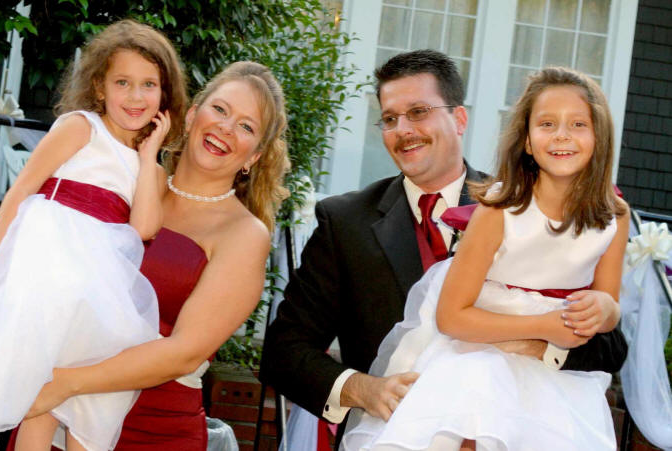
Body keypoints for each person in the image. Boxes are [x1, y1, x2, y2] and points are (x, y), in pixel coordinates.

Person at [259, 50, 628, 445]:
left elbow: (611, 347)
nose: (403, 130)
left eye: (418, 112)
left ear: (460, 119)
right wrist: (363, 390)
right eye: (389, 119)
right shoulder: (345, 222)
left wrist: (538, 347)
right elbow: (283, 352)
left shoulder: (521, 202)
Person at [15, 60, 290, 451]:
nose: (226, 128)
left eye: (246, 127)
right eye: (220, 109)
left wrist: (65, 383)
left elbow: (184, 352)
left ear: (254, 157)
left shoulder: (245, 234)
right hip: (53, 411)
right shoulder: (130, 180)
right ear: (192, 115)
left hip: (150, 427)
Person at [0, 19, 187, 451]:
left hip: (98, 285)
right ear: (99, 88)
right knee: (40, 395)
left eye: (149, 85)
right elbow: (23, 187)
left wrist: (149, 154)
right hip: (47, 265)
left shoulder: (150, 165)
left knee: (89, 397)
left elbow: (144, 228)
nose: (135, 97)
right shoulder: (81, 127)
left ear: (164, 95)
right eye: (123, 83)